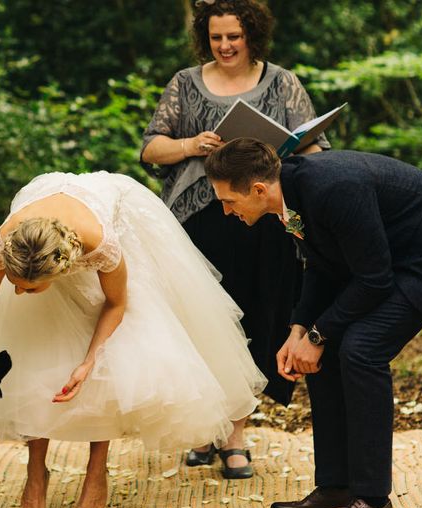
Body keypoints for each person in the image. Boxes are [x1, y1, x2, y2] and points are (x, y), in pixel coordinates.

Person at [0, 172, 267, 508]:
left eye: (29, 288)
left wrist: (88, 361)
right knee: (33, 355)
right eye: (16, 285)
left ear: (62, 268)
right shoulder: (5, 245)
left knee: (108, 365)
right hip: (41, 224)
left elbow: (116, 304)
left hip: (113, 213)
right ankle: (35, 473)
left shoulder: (102, 245)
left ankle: (96, 473)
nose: (19, 294)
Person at [204, 137, 422, 508]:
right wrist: (299, 329)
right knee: (328, 352)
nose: (227, 211)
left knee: (361, 349)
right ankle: (336, 484)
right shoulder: (290, 193)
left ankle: (373, 503)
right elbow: (323, 266)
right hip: (387, 259)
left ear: (258, 190)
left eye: (229, 201)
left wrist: (318, 333)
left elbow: (374, 280)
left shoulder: (334, 189)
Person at [141, 0, 329, 477]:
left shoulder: (283, 82)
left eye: (234, 37)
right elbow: (151, 148)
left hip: (265, 222)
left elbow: (315, 149)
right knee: (202, 322)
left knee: (258, 314)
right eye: (216, 37)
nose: (224, 46)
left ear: (253, 37)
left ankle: (236, 432)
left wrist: (282, 150)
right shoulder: (185, 82)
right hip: (200, 220)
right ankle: (206, 425)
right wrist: (191, 146)